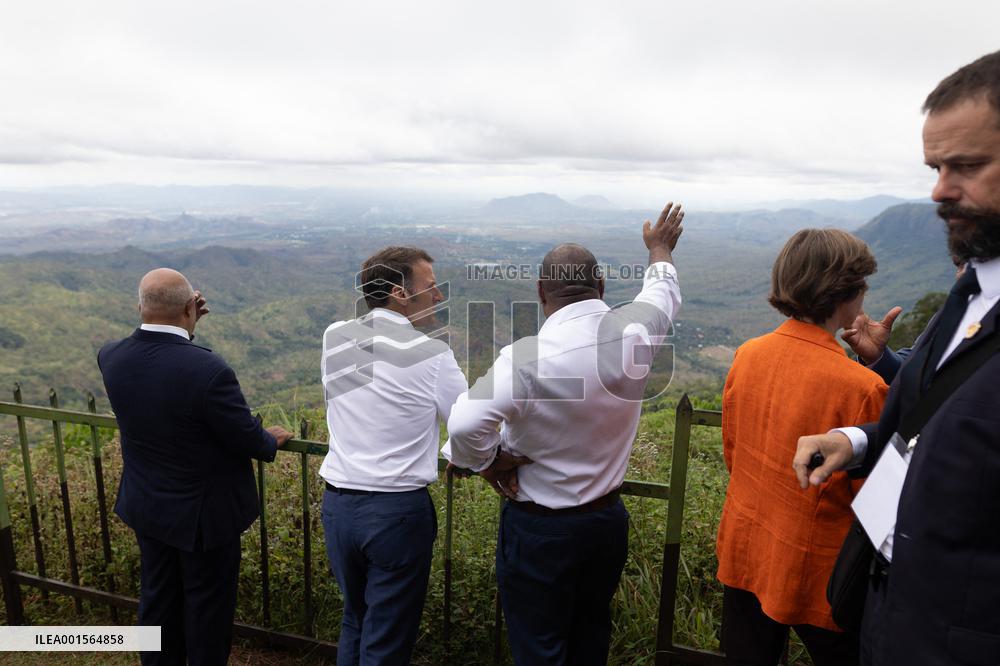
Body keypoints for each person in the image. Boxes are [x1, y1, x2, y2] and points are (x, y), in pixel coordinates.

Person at [794, 50, 1000, 665]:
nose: (940, 189)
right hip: (888, 620)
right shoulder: (972, 289)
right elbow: (943, 415)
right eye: (935, 166)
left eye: (965, 165)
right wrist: (857, 441)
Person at [444, 202, 684, 666]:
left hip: (540, 530)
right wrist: (659, 248)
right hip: (605, 524)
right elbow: (663, 291)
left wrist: (488, 462)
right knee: (590, 635)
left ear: (540, 292)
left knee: (539, 647)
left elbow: (464, 423)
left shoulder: (526, 357)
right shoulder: (635, 333)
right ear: (601, 286)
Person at [98, 268, 292, 666]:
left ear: (139, 307)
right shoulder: (208, 371)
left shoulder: (111, 357)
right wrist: (268, 437)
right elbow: (250, 440)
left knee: (158, 599)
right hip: (203, 519)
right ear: (191, 307)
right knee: (207, 610)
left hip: (148, 508)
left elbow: (158, 368)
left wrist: (184, 324)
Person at [717, 229, 887, 665]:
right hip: (822, 573)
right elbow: (873, 502)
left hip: (747, 548)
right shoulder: (862, 386)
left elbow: (733, 451)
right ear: (847, 293)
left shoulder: (748, 354)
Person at [319, 246, 467, 665]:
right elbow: (470, 421)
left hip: (339, 506)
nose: (438, 297)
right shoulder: (433, 355)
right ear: (400, 294)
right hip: (396, 512)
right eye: (431, 287)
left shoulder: (335, 336)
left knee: (356, 619)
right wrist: (464, 454)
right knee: (387, 636)